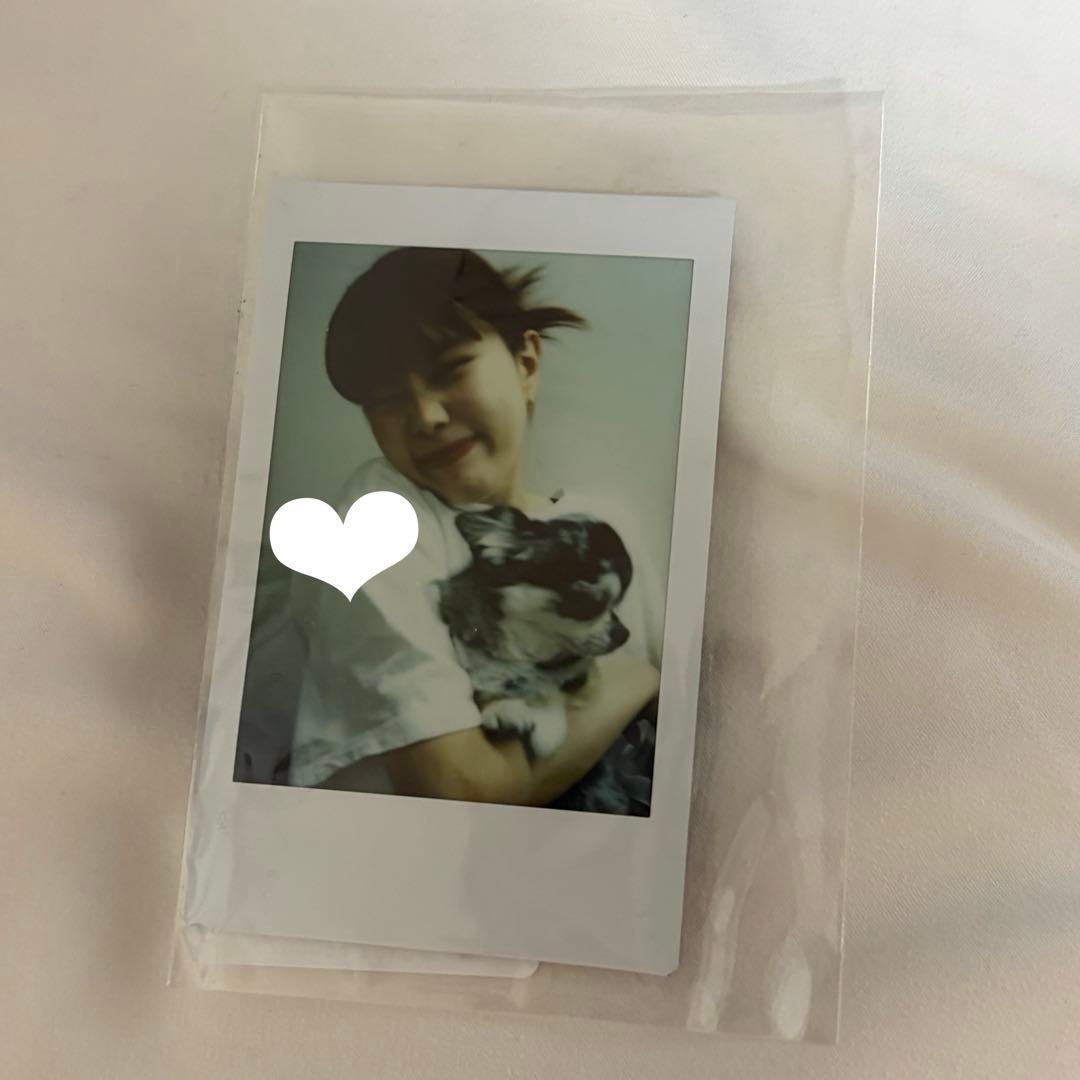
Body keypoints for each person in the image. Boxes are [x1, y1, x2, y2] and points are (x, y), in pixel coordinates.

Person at [280, 247, 663, 808]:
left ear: (526, 364)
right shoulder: (376, 520)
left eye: (450, 370)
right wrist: (636, 680)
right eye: (387, 400)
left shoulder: (609, 528)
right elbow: (460, 790)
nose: (427, 416)